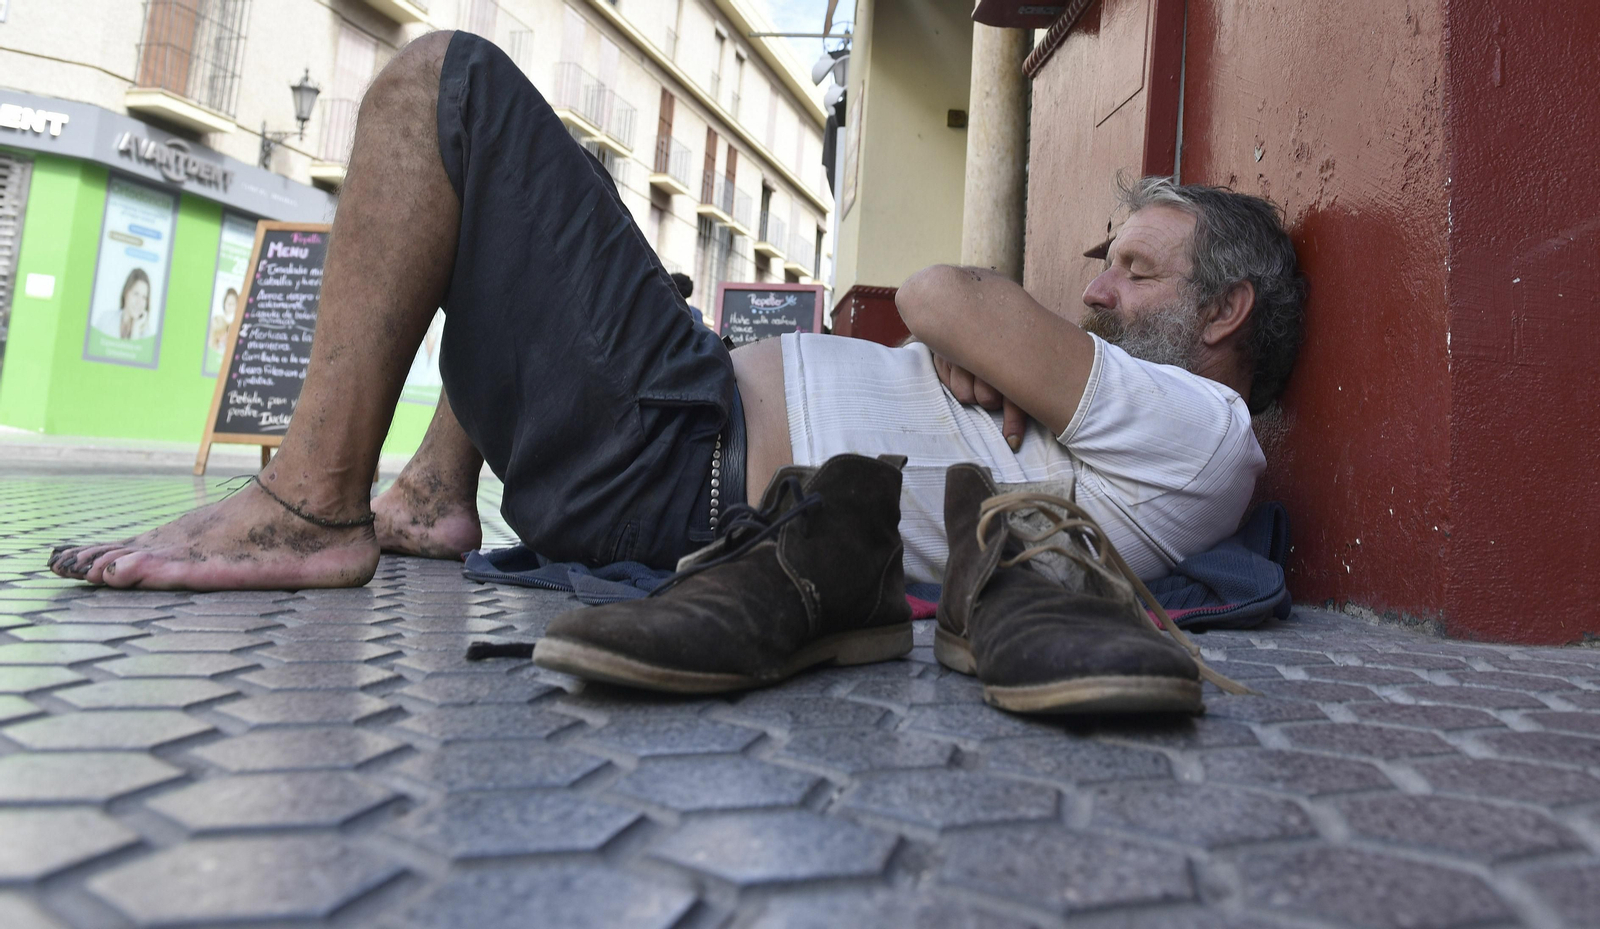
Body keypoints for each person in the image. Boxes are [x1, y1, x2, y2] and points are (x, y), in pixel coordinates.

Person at [48, 31, 1303, 595]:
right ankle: (430, 489)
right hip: (680, 420)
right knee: (572, 196)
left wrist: (965, 326)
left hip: (676, 458)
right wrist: (980, 348)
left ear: (1225, 310)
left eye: (1135, 271)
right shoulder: (1136, 421)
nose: (1095, 289)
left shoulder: (1203, 430)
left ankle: (312, 502)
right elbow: (958, 323)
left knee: (444, 84)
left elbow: (935, 292)